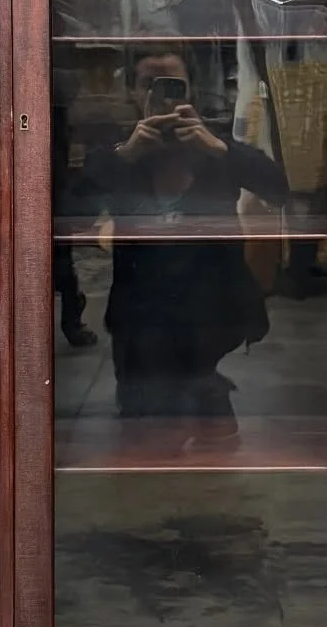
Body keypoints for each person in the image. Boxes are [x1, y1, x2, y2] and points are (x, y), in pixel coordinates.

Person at [79, 48, 289, 435]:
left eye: (175, 86)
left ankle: (204, 390)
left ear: (191, 90)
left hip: (211, 317)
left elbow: (280, 189)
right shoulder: (118, 150)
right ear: (130, 91)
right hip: (141, 322)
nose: (165, 97)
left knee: (214, 443)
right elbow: (69, 208)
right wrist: (126, 156)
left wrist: (219, 149)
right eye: (150, 85)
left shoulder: (212, 145)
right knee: (143, 435)